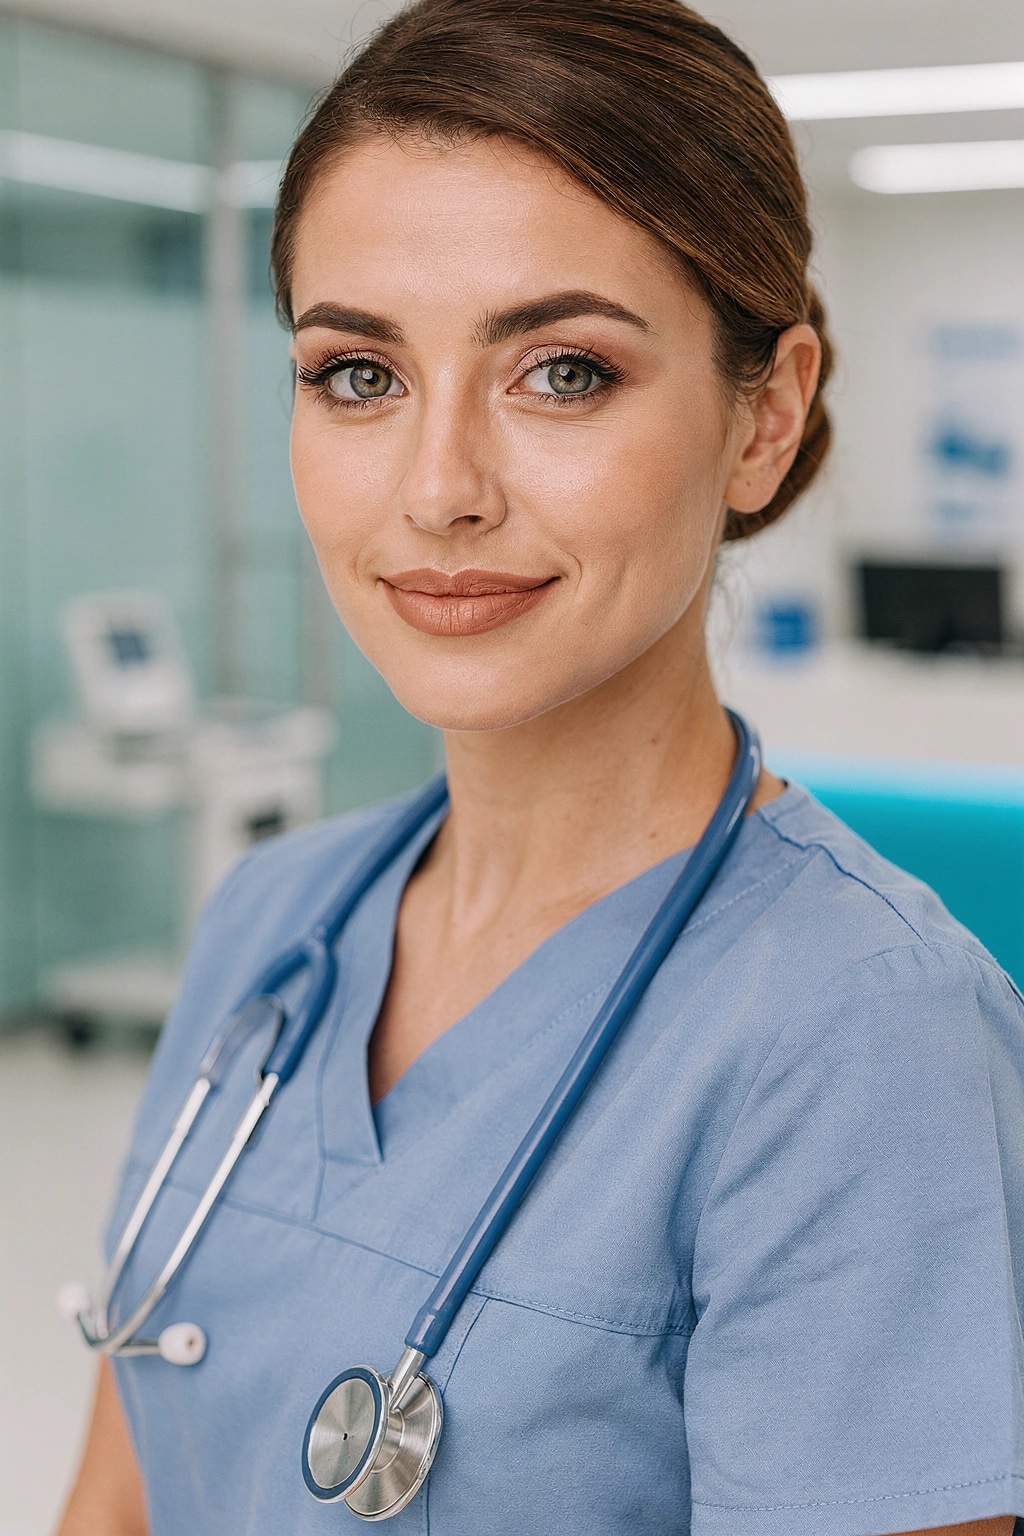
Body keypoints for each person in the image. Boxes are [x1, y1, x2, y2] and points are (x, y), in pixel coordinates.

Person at [57, 1, 1024, 1532]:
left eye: (562, 371)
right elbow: (112, 1502)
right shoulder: (275, 919)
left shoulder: (862, 1038)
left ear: (763, 418)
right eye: (359, 375)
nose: (438, 489)